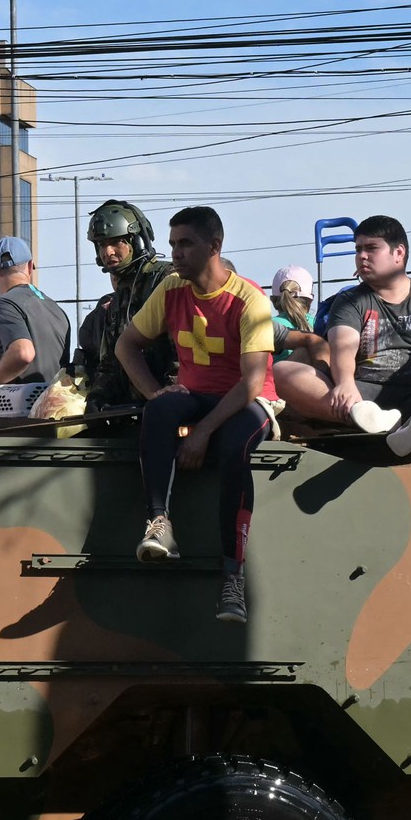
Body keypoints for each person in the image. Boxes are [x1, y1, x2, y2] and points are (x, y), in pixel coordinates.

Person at [115, 205, 277, 625]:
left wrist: (201, 433)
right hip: (196, 394)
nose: (176, 253)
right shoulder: (170, 289)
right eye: (172, 244)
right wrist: (155, 392)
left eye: (186, 243)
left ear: (215, 246)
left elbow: (251, 385)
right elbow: (126, 346)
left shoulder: (250, 300)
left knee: (233, 444)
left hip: (248, 401)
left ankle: (233, 577)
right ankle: (159, 523)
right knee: (161, 409)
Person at [271, 215, 411, 456]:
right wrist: (345, 383)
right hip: (362, 399)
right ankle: (370, 422)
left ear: (399, 253)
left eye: (371, 248)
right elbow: (342, 344)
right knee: (283, 372)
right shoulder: (349, 301)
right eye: (358, 249)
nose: (362, 256)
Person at [74, 199, 176, 410]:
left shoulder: (167, 280)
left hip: (172, 402)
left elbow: (185, 349)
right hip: (135, 408)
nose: (108, 252)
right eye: (102, 245)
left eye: (116, 242)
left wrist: (170, 393)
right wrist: (99, 395)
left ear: (136, 242)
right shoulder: (121, 295)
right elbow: (114, 357)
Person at [0, 235, 72, 412]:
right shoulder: (58, 310)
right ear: (30, 266)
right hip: (55, 412)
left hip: (20, 417)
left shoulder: (5, 304)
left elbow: (22, 353)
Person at [270, 265, 325, 364]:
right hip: (318, 378)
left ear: (273, 301)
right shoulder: (320, 325)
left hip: (277, 378)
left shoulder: (268, 326)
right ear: (310, 300)